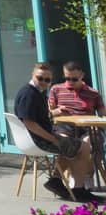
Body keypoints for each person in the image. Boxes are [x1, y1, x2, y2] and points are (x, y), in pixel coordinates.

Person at [17, 61, 99, 202]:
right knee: (83, 147)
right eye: (40, 78)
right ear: (32, 75)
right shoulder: (29, 94)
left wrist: (54, 113)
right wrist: (52, 138)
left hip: (36, 139)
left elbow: (40, 117)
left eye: (47, 79)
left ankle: (56, 181)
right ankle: (78, 189)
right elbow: (29, 123)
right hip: (39, 141)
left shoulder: (36, 93)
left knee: (71, 143)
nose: (43, 82)